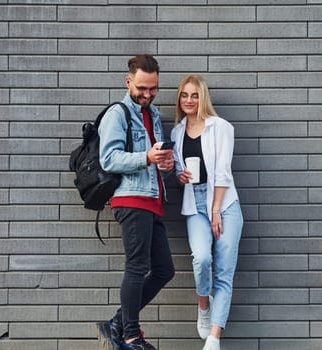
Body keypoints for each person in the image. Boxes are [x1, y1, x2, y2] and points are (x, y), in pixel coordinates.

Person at [95, 54, 175, 350]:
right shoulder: (119, 113)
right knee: (137, 266)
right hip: (130, 199)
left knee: (164, 270)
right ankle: (129, 336)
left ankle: (116, 323)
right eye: (142, 88)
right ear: (128, 81)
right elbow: (109, 158)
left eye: (153, 88)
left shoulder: (152, 114)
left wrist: (163, 163)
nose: (147, 94)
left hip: (152, 199)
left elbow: (154, 155)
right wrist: (146, 158)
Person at [170, 75, 243, 350]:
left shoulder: (220, 127)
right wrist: (180, 177)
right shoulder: (177, 132)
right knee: (201, 258)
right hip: (194, 205)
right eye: (184, 95)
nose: (189, 100)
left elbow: (223, 172)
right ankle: (204, 305)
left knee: (224, 271)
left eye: (195, 95)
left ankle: (214, 338)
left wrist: (216, 210)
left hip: (224, 205)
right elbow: (179, 171)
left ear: (203, 98)